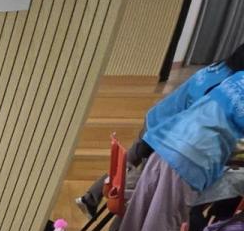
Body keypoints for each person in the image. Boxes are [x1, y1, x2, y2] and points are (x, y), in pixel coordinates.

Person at [103, 70, 244, 231]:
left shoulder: (237, 77)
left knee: (139, 214)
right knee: (161, 224)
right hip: (193, 154)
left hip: (165, 140)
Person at [77, 45, 244, 214]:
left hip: (159, 118)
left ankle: (90, 197)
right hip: (166, 131)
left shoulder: (217, 68)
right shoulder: (228, 83)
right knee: (145, 181)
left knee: (127, 165)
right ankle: (111, 211)